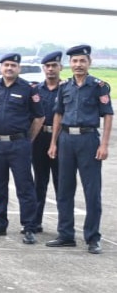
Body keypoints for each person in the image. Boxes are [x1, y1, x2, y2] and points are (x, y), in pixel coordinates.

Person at [47, 45, 113, 254]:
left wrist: (104, 144)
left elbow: (108, 115)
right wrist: (53, 143)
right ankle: (66, 234)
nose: (78, 65)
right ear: (70, 64)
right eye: (74, 61)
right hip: (66, 140)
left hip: (88, 140)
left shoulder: (99, 86)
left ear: (89, 63)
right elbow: (58, 114)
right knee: (64, 189)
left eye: (82, 61)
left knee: (91, 191)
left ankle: (93, 238)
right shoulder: (64, 86)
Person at [0, 53, 43, 245]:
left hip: (19, 145)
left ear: (19, 68)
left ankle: (29, 227)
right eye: (6, 65)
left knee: (24, 187)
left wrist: (27, 140)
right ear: (0, 68)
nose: (9, 68)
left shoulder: (28, 89)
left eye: (13, 65)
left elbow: (39, 117)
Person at [32, 51, 63, 233]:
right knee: (39, 182)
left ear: (60, 67)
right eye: (48, 66)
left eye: (54, 65)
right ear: (43, 68)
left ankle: (63, 226)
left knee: (61, 183)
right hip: (40, 139)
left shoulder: (66, 88)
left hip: (60, 139)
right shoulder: (36, 89)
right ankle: (35, 222)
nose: (51, 69)